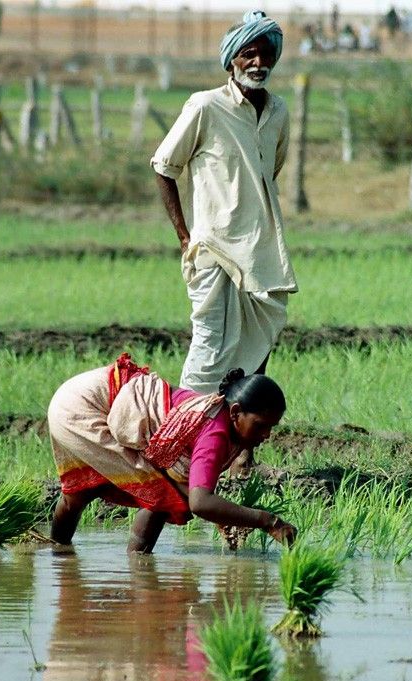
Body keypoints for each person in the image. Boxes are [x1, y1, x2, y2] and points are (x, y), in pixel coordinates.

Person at [150, 10, 297, 397]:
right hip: (213, 248)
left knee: (260, 341)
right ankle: (183, 437)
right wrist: (185, 237)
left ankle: (240, 450)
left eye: (266, 54)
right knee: (209, 345)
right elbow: (165, 167)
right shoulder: (205, 106)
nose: (258, 63)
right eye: (249, 53)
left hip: (262, 249)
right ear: (231, 59)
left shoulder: (279, 111)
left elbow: (270, 171)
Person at [48, 353, 297, 553]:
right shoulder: (215, 433)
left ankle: (58, 553)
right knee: (165, 497)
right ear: (235, 413)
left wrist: (228, 515)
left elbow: (187, 486)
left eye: (271, 427)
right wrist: (269, 521)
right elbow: (199, 502)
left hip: (82, 394)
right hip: (84, 407)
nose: (267, 435)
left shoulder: (217, 416)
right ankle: (140, 573)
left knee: (82, 491)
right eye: (260, 425)